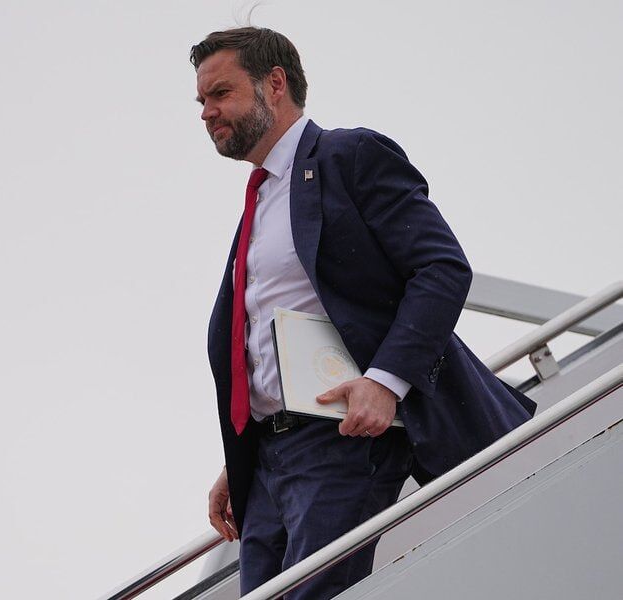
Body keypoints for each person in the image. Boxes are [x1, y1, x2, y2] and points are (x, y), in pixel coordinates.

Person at [191, 27, 535, 599]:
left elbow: (442, 269)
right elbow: (267, 333)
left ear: (274, 84)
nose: (206, 112)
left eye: (220, 93)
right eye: (201, 100)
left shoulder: (348, 156)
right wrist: (244, 449)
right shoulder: (261, 199)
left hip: (340, 438)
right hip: (270, 463)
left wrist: (385, 382)